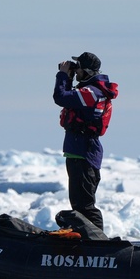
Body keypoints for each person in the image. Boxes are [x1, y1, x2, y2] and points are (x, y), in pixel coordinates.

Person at [54, 52, 118, 231]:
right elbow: (67, 97)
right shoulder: (89, 90)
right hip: (79, 151)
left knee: (85, 205)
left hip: (84, 152)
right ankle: (84, 240)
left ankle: (98, 246)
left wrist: (62, 75)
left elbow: (60, 97)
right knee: (79, 204)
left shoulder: (92, 92)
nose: (76, 70)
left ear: (88, 71)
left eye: (78, 68)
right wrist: (68, 77)